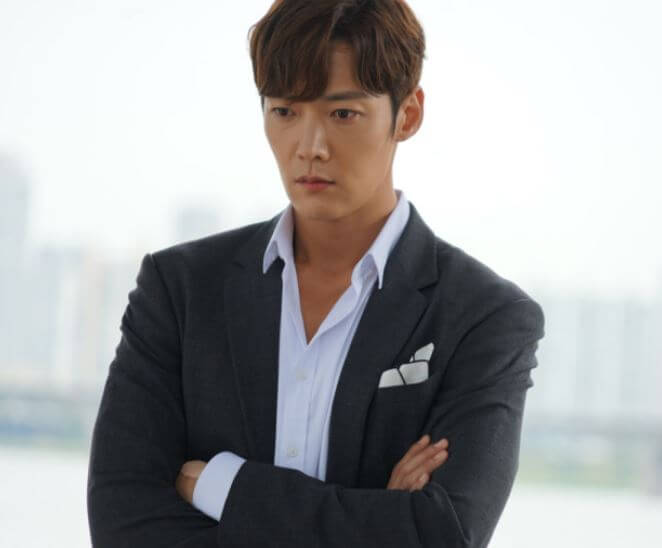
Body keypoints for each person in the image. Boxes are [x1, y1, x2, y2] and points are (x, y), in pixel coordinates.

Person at [86, 1, 545, 546]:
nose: (310, 148)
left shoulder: (484, 317)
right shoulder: (180, 290)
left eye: (342, 114)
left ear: (408, 115)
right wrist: (377, 517)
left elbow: (443, 534)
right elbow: (122, 525)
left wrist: (222, 485)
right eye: (285, 111)